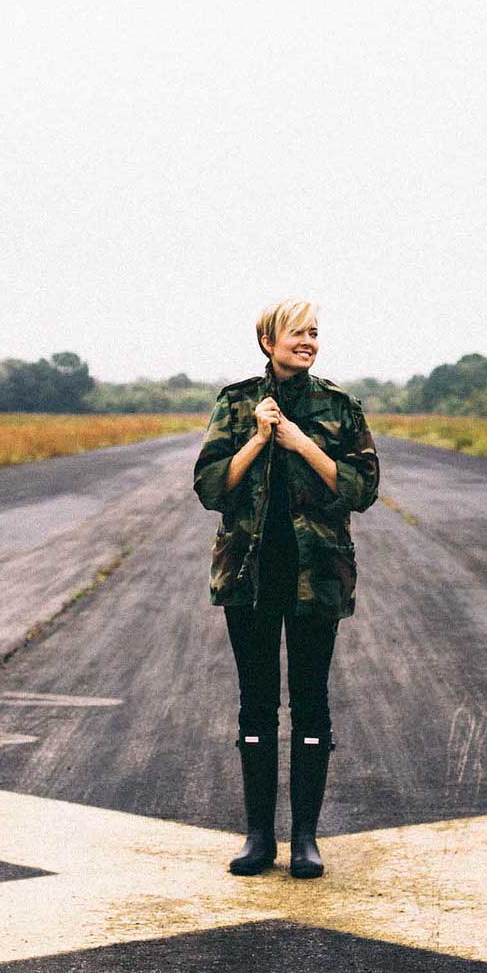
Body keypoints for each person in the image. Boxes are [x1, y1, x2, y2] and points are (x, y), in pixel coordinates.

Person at [191, 298, 380, 878]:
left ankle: (304, 839)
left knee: (311, 703)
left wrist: (302, 444)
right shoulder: (236, 402)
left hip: (316, 574)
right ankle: (258, 838)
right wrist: (257, 438)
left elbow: (363, 488)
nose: (308, 341)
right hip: (249, 576)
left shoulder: (341, 408)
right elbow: (209, 487)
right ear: (268, 342)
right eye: (297, 333)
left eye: (315, 333)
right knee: (255, 704)